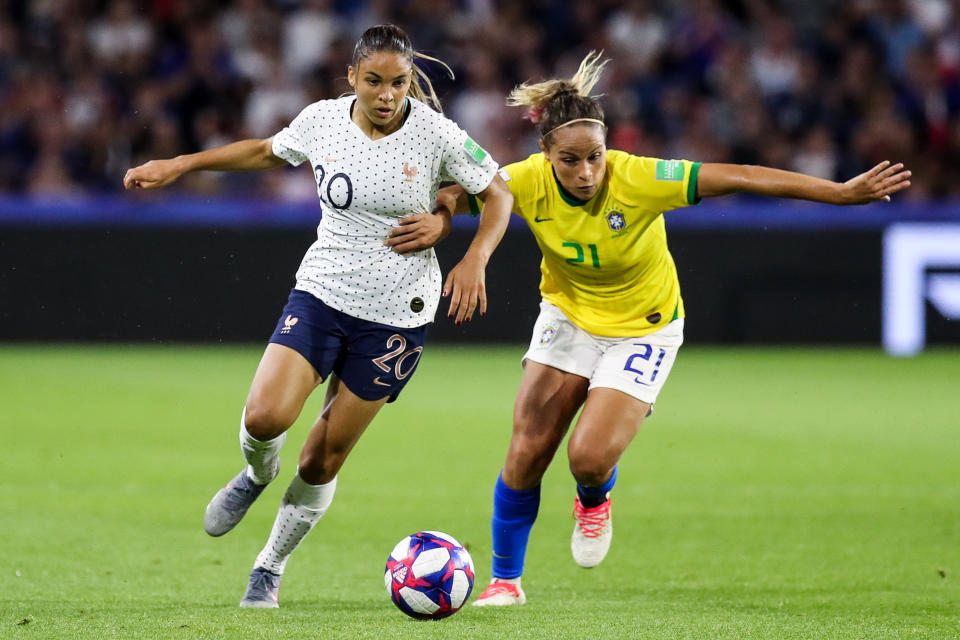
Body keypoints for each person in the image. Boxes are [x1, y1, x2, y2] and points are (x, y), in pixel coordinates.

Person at [433, 52, 912, 606]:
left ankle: (594, 497)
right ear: (546, 154)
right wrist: (444, 218)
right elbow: (460, 193)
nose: (586, 172)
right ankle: (505, 582)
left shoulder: (638, 177)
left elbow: (743, 176)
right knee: (526, 451)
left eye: (595, 157)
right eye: (570, 161)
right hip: (568, 317)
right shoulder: (524, 180)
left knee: (587, 457)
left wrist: (840, 192)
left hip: (645, 327)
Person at [122, 24, 513, 608]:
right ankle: (256, 474)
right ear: (352, 77)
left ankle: (269, 567)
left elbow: (499, 191)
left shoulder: (437, 133)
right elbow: (263, 151)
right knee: (265, 418)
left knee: (322, 456)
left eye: (399, 83)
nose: (387, 94)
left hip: (396, 317)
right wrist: (180, 164)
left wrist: (471, 252)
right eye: (374, 81)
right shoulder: (323, 120)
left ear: (411, 82)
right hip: (324, 294)